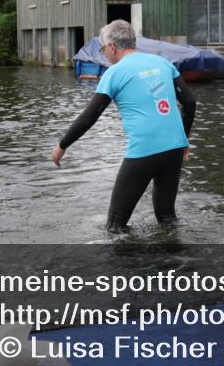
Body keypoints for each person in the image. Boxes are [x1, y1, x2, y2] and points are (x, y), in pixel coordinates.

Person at [52, 20, 196, 231]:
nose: (104, 55)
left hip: (144, 151)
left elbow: (88, 118)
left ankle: (126, 264)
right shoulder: (162, 63)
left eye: (103, 49)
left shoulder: (114, 73)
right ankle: (176, 261)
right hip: (174, 148)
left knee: (115, 225)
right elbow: (190, 103)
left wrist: (62, 145)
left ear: (112, 47)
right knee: (166, 218)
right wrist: (184, 141)